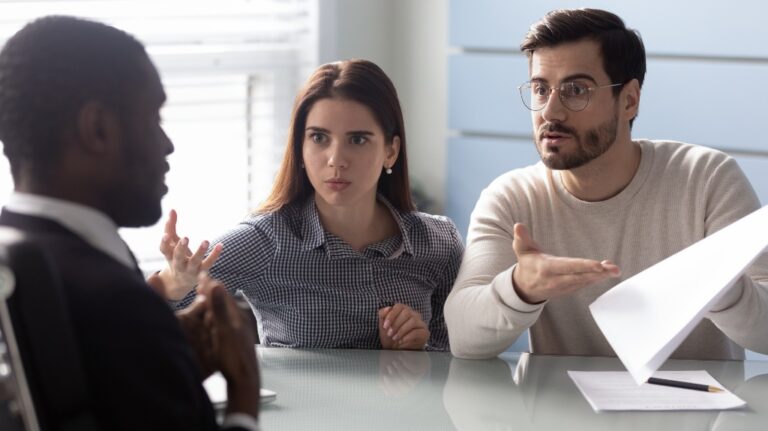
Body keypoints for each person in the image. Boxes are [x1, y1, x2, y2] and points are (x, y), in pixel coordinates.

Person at [444, 8, 768, 359]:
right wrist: (521, 288)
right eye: (540, 89)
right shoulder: (511, 197)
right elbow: (462, 337)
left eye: (576, 90)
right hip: (561, 411)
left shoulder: (707, 179)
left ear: (629, 100)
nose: (551, 111)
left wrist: (723, 289)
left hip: (698, 409)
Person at [0, 16, 260, 430]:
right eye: (153, 117)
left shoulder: (21, 252)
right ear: (98, 129)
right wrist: (244, 388)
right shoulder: (118, 304)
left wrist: (164, 351)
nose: (167, 144)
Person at [148, 59, 464, 351]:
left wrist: (415, 353)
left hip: (406, 413)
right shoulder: (265, 239)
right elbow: (146, 315)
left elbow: (457, 363)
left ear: (390, 151)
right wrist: (174, 285)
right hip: (294, 413)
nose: (336, 160)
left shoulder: (439, 242)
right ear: (300, 147)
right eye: (319, 138)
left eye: (357, 140)